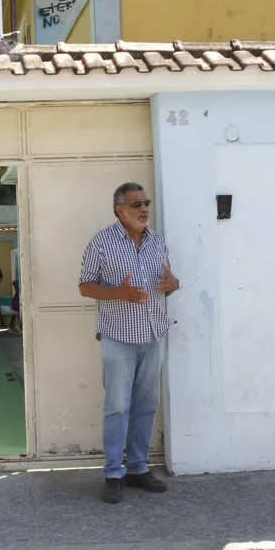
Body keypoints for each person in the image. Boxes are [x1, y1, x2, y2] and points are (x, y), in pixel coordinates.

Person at [79, 182, 179, 505]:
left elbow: (169, 280)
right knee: (118, 406)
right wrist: (118, 293)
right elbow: (85, 286)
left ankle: (137, 468)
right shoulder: (101, 242)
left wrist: (173, 284)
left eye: (146, 203)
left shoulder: (157, 242)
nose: (144, 209)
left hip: (152, 335)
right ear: (120, 209)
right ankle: (112, 473)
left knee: (147, 405)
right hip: (119, 337)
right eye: (137, 204)